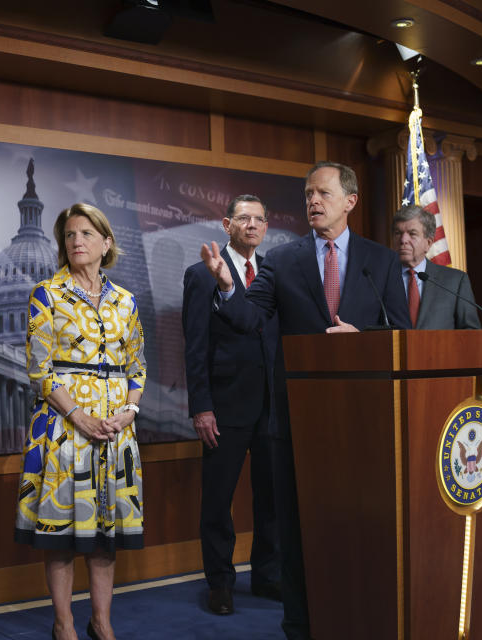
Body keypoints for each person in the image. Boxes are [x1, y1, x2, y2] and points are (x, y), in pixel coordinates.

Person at [200, 161, 410, 640]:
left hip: (364, 420)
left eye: (323, 193)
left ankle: (362, 616)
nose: (312, 201)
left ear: (350, 201)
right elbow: (250, 319)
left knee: (359, 527)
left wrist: (365, 337)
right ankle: (301, 625)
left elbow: (401, 331)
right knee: (296, 530)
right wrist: (229, 287)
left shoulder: (379, 260)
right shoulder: (282, 259)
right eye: (308, 194)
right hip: (298, 421)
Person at [15, 203, 146, 640]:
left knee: (105, 535)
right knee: (63, 534)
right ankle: (64, 622)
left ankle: (101, 620)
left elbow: (137, 365)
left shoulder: (126, 300)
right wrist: (79, 417)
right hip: (63, 428)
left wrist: (129, 411)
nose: (76, 242)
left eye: (87, 233)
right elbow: (40, 371)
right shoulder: (46, 293)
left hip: (116, 432)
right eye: (70, 235)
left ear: (106, 242)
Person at [181, 195, 280, 616]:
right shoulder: (201, 275)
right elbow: (195, 345)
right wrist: (201, 406)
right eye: (244, 218)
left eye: (260, 219)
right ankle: (220, 584)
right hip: (223, 407)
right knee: (218, 502)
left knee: (272, 498)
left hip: (273, 406)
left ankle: (268, 576)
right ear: (227, 224)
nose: (252, 225)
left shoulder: (273, 274)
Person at [392, 204, 481, 329]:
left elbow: (471, 332)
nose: (403, 240)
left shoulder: (455, 281)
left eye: (412, 234)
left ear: (428, 243)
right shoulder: (379, 279)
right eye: (398, 233)